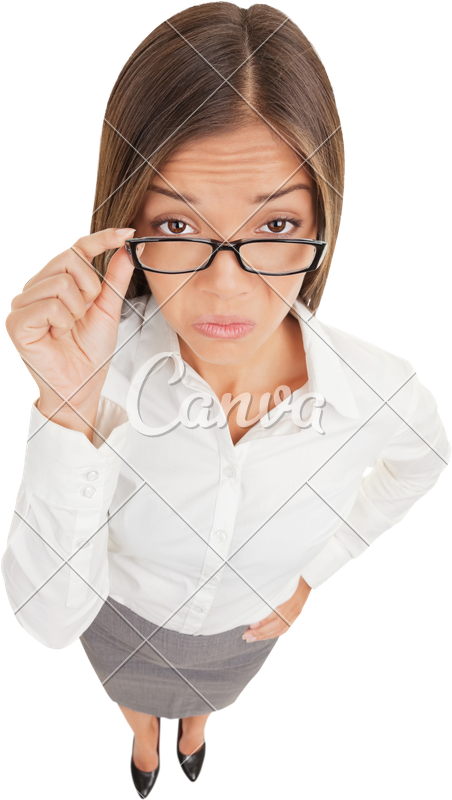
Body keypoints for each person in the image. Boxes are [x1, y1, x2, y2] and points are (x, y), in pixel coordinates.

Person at [1, 2, 451, 796]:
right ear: (127, 223)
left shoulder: (376, 386)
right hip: (121, 617)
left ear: (323, 216)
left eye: (275, 224)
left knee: (208, 700)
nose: (226, 287)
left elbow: (423, 460)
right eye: (178, 226)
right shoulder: (96, 368)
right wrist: (66, 409)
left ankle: (196, 731)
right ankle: (144, 739)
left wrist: (313, 570)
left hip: (245, 629)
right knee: (135, 700)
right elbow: (50, 621)